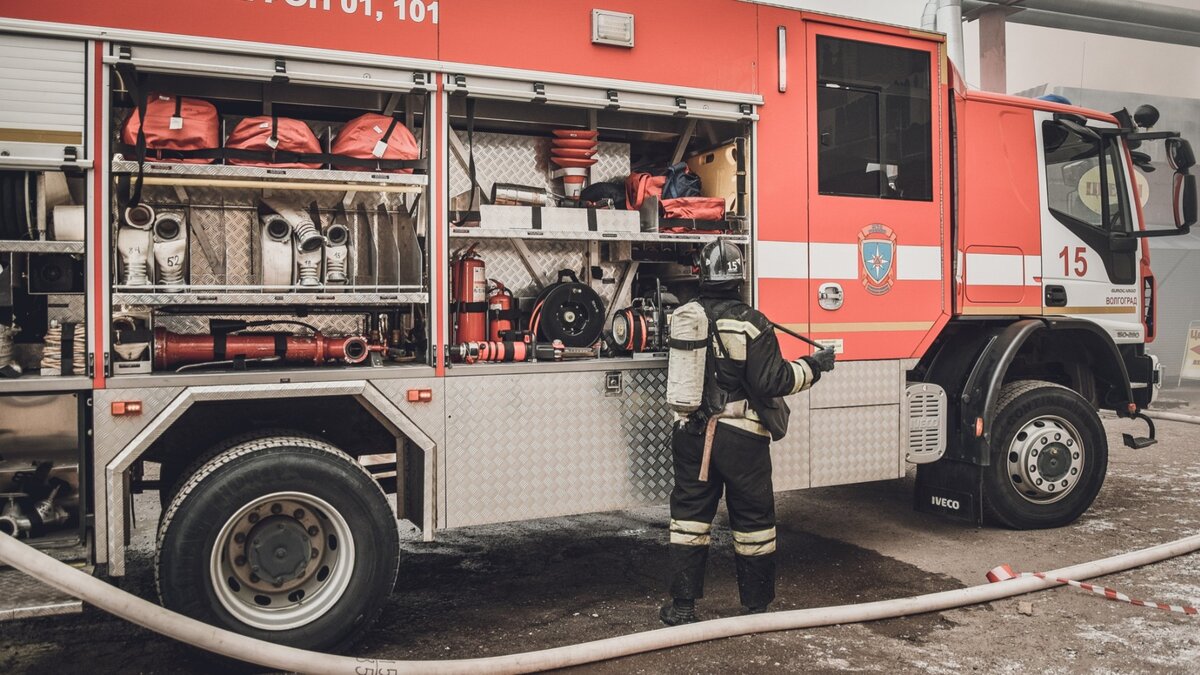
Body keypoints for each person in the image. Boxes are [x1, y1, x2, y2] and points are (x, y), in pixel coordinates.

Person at [661, 240, 836, 625]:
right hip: (741, 438)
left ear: (702, 275)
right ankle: (755, 606)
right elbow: (773, 381)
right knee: (753, 519)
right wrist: (814, 366)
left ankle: (682, 606)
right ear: (739, 278)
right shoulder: (751, 322)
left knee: (689, 517)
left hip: (691, 432)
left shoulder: (687, 315)